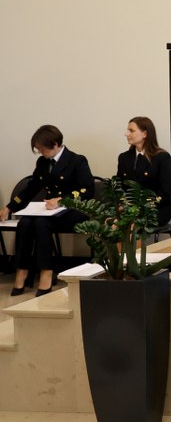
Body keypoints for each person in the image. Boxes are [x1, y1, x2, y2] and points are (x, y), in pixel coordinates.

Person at [2, 125, 93, 297]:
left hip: (74, 210)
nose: (41, 153)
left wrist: (62, 200)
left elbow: (87, 190)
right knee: (25, 222)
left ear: (56, 144)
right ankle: (22, 269)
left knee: (42, 223)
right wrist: (10, 207)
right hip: (51, 211)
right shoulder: (43, 162)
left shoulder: (77, 160)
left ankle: (46, 271)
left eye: (42, 149)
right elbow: (31, 188)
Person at [116, 116, 171, 227]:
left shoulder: (162, 157)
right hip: (129, 209)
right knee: (110, 222)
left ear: (145, 134)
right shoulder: (124, 158)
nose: (126, 134)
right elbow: (119, 186)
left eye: (131, 130)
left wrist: (139, 206)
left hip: (156, 209)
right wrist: (122, 204)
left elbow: (166, 193)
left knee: (131, 226)